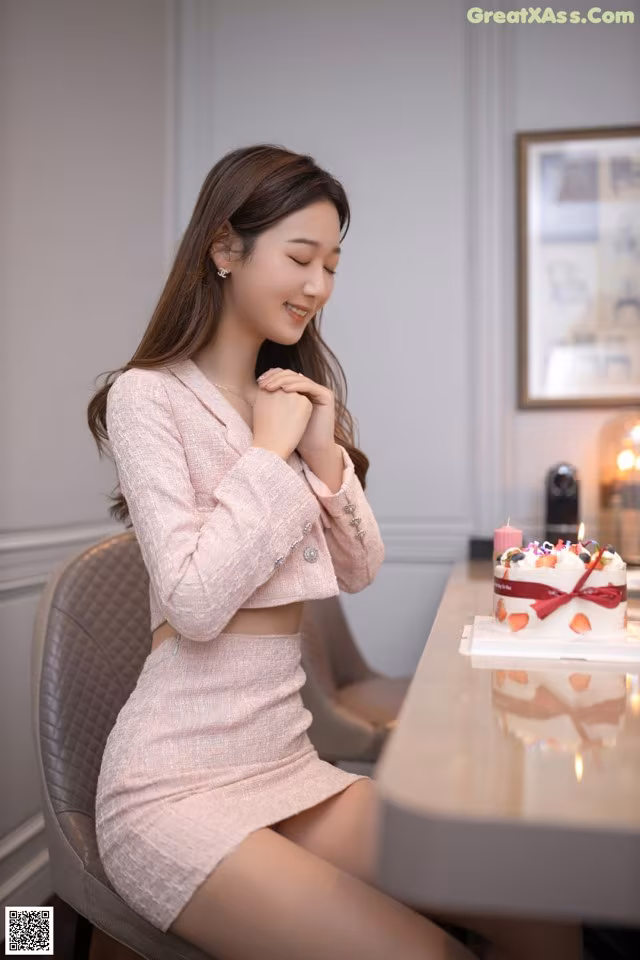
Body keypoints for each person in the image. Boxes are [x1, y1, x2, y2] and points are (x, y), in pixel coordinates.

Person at [87, 144, 582, 960]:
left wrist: (320, 455)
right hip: (173, 788)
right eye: (301, 258)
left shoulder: (286, 397)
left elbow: (359, 568)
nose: (318, 287)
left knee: (538, 900)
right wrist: (267, 455)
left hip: (286, 765)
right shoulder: (149, 396)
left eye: (333, 266)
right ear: (224, 250)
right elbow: (195, 603)